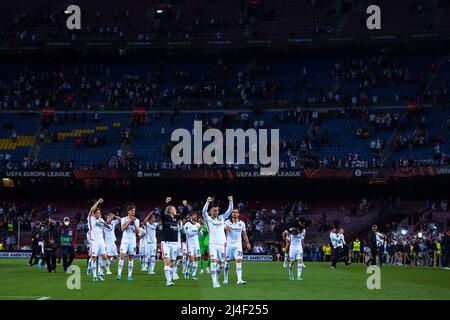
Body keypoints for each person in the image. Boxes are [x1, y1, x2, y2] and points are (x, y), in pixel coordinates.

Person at [202, 196, 234, 288]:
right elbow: (203, 211)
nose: (216, 212)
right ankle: (214, 282)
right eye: (214, 210)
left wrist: (231, 201)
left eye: (217, 210)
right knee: (213, 262)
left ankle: (215, 277)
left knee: (221, 264)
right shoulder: (208, 219)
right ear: (211, 211)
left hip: (222, 244)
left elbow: (230, 210)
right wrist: (207, 202)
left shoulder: (221, 218)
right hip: (212, 243)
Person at [224, 208, 250, 284]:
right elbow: (220, 228)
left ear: (238, 214)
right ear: (231, 214)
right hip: (228, 244)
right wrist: (225, 227)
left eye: (236, 212)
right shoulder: (227, 222)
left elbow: (244, 234)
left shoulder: (242, 223)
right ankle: (226, 278)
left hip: (238, 245)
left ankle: (239, 280)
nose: (235, 213)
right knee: (227, 262)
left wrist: (247, 243)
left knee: (239, 260)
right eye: (233, 212)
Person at [159, 197, 181, 286]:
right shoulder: (165, 218)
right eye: (174, 209)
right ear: (170, 210)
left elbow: (184, 214)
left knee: (172, 263)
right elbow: (161, 212)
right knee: (167, 262)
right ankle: (168, 281)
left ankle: (170, 280)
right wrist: (165, 203)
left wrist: (185, 205)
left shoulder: (176, 219)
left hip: (175, 243)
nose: (175, 210)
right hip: (166, 243)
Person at [88, 198, 109, 282]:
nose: (99, 214)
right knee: (94, 257)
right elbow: (91, 209)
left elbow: (108, 227)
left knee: (104, 257)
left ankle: (100, 272)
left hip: (101, 241)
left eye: (100, 213)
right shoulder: (90, 218)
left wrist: (104, 223)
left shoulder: (101, 220)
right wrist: (98, 202)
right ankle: (94, 275)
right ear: (94, 213)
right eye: (98, 213)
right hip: (94, 240)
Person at [117, 205, 140, 281]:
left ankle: (129, 275)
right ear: (128, 211)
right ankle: (119, 274)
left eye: (134, 211)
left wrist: (134, 224)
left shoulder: (137, 220)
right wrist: (129, 222)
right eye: (132, 211)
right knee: (122, 256)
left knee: (131, 257)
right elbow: (122, 229)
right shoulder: (124, 219)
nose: (133, 212)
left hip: (132, 240)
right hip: (125, 240)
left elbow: (138, 231)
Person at [183, 211, 202, 280]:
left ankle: (193, 275)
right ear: (191, 216)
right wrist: (197, 230)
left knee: (196, 259)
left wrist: (199, 231)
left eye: (196, 215)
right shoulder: (187, 224)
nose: (196, 216)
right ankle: (187, 271)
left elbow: (200, 235)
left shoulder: (198, 224)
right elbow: (188, 234)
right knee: (191, 259)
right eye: (194, 215)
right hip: (190, 244)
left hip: (196, 244)